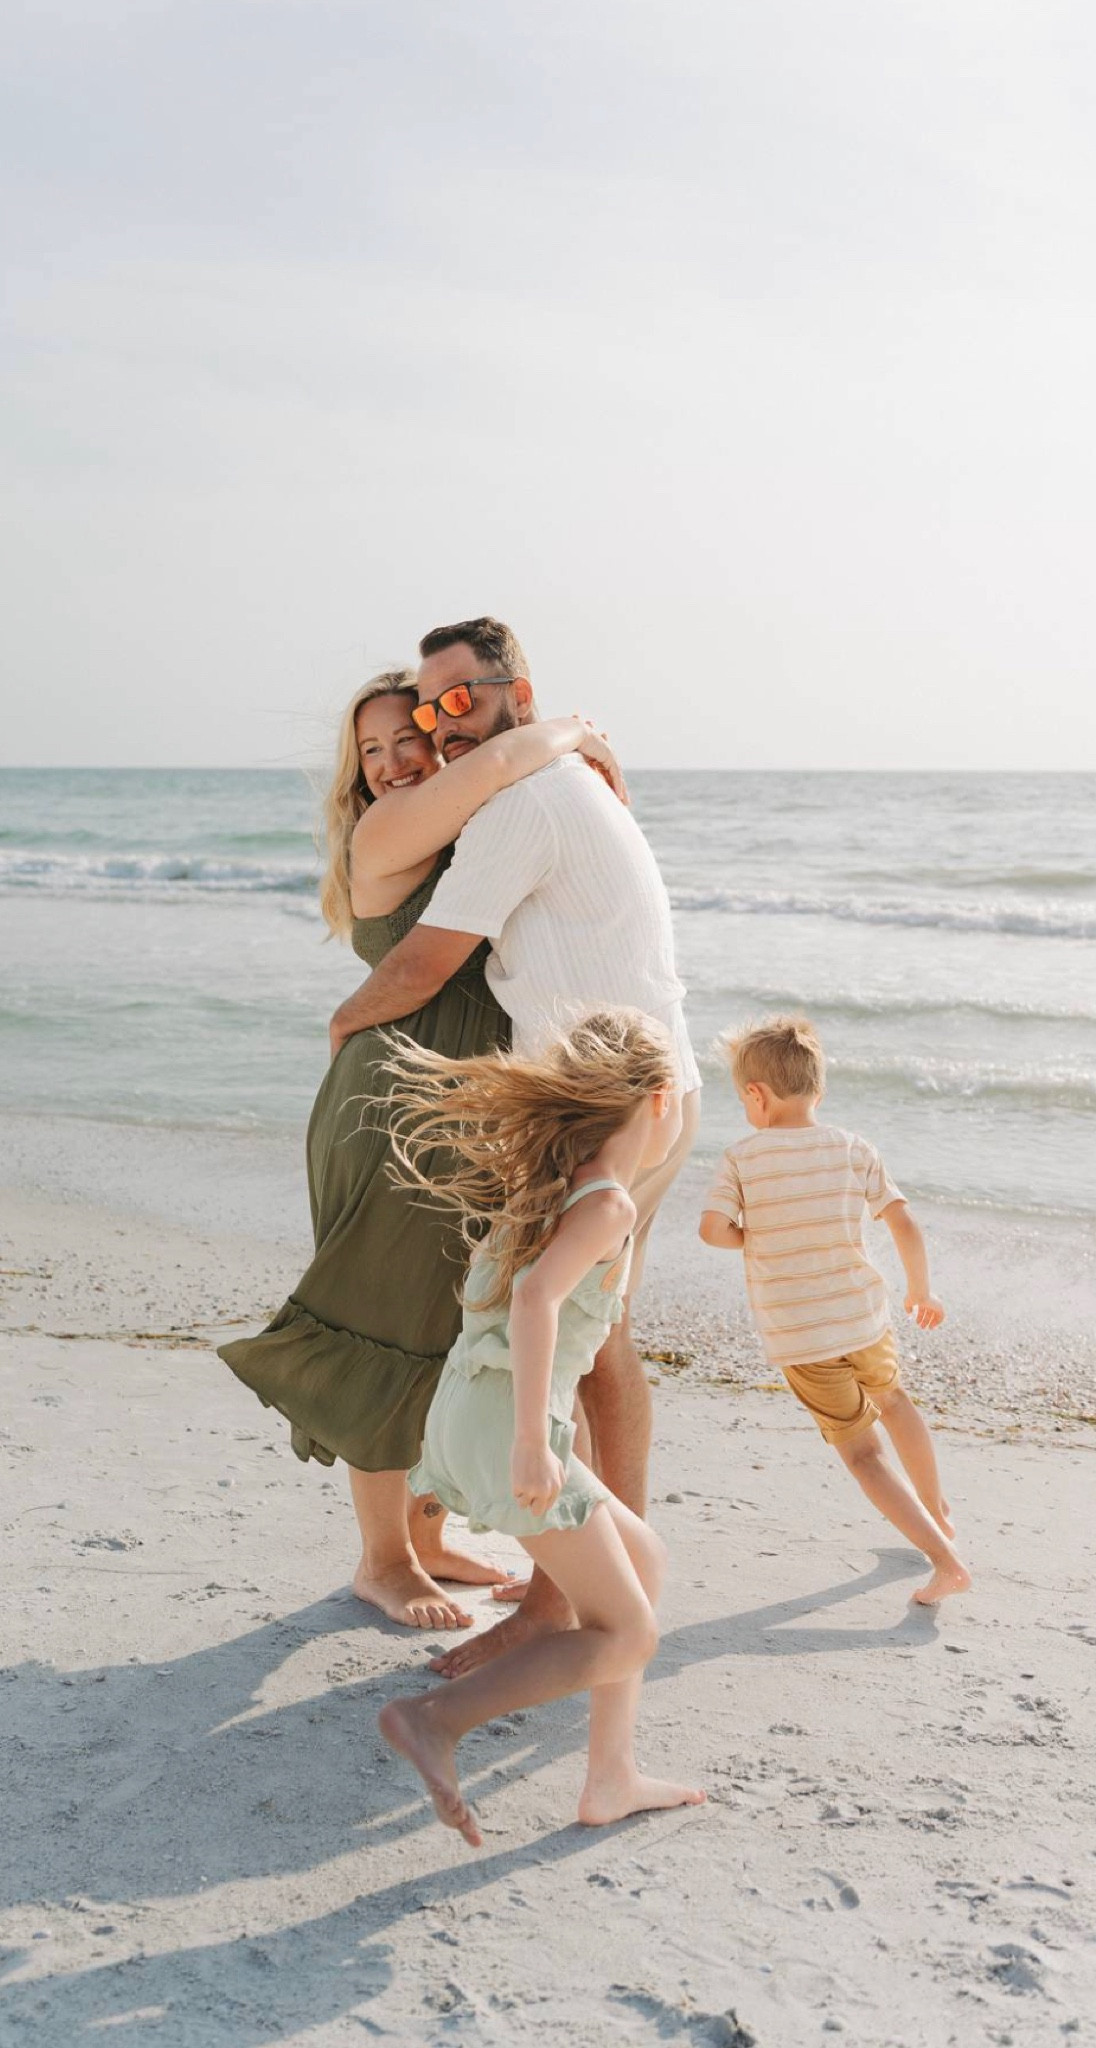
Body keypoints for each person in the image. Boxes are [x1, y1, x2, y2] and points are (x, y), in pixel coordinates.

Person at [328, 618, 701, 1678]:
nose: (439, 725)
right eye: (425, 706)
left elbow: (418, 966)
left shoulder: (523, 803)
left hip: (605, 1107)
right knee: (585, 1336)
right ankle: (586, 1581)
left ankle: (569, 1597)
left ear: (512, 695)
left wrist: (341, 1024)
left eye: (459, 701)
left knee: (548, 1336)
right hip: (627, 1091)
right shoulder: (540, 785)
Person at [219, 674, 625, 1631]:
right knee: (384, 1319)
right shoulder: (389, 830)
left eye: (411, 736)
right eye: (372, 751)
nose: (398, 760)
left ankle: (429, 1531)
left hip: (475, 1109)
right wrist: (572, 729)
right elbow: (506, 754)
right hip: (395, 1108)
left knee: (448, 1329)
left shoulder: (486, 833)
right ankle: (383, 1558)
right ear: (354, 777)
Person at [375, 1010, 706, 1845]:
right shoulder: (608, 1204)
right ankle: (435, 1719)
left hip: (472, 1409)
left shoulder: (552, 1184)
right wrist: (531, 1437)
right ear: (661, 1101)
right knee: (628, 1634)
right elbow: (533, 1300)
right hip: (507, 1421)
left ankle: (610, 1777)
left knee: (645, 1557)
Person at [699, 1014, 971, 1605]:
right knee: (895, 1402)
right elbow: (903, 1220)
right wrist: (920, 1292)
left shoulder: (743, 1157)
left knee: (862, 1451)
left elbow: (713, 1230)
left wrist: (756, 1237)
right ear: (818, 1091)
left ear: (755, 1094)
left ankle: (946, 1561)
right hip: (863, 1316)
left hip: (802, 1334)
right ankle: (936, 1510)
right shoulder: (852, 1147)